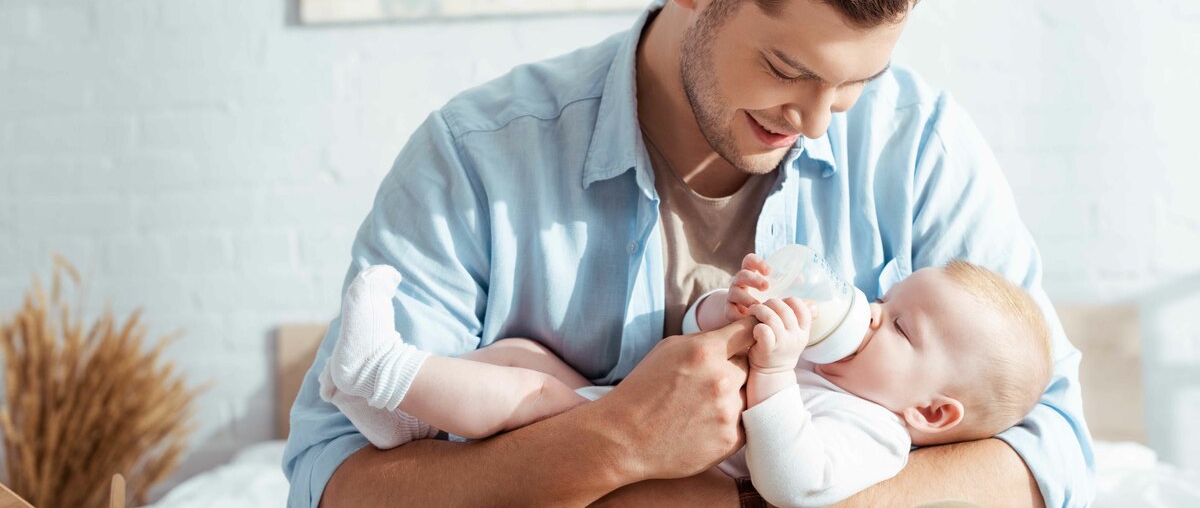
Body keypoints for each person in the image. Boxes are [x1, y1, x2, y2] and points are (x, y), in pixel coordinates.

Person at [283, 0, 1094, 506]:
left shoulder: (919, 145)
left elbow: (1049, 445)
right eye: (786, 69)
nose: (817, 123)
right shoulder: (477, 160)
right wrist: (615, 441)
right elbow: (333, 479)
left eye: (854, 83)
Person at [319, 257, 1053, 508]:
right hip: (622, 404)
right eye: (887, 299)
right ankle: (400, 416)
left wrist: (771, 370)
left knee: (532, 397)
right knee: (524, 355)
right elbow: (694, 341)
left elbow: (795, 482)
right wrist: (729, 306)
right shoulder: (828, 365)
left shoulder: (875, 433)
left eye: (898, 327)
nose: (870, 312)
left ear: (930, 409)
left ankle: (381, 368)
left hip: (625, 450)